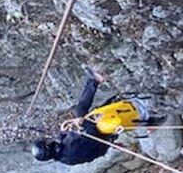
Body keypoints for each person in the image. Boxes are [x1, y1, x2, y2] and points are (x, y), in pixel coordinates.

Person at [31, 68, 160, 165]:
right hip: (101, 133)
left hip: (103, 138)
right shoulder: (71, 151)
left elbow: (66, 139)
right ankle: (96, 80)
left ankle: (148, 121)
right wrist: (82, 123)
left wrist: (64, 130)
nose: (51, 140)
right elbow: (91, 138)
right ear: (48, 147)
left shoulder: (63, 156)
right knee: (81, 110)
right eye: (48, 142)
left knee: (87, 111)